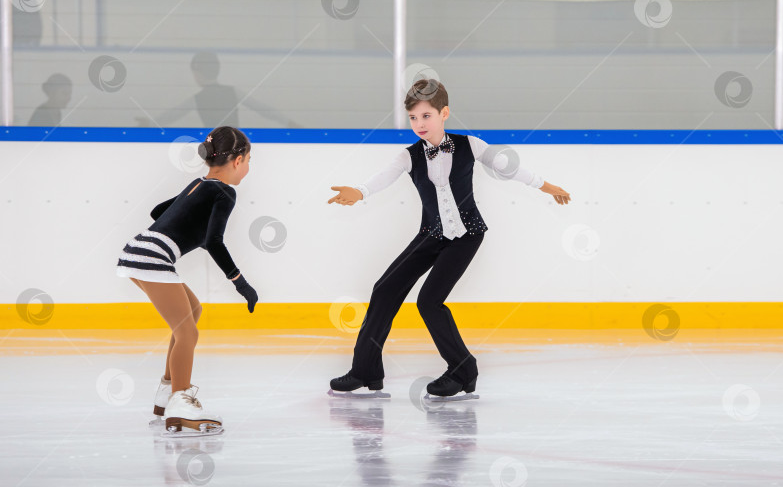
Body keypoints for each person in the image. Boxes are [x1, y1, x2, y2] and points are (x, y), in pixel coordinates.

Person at [327, 79, 571, 399]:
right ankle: (366, 370)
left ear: (444, 113)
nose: (419, 124)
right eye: (413, 118)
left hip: (466, 235)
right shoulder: (408, 155)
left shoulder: (471, 144)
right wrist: (360, 191)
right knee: (384, 289)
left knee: (428, 301)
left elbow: (509, 168)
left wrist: (546, 186)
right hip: (430, 234)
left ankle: (463, 369)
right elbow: (384, 176)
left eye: (426, 116)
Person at [116, 126, 259, 435]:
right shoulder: (224, 192)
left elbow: (158, 211)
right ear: (237, 160)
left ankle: (167, 394)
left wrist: (185, 215)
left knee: (192, 312)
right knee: (188, 333)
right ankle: (180, 402)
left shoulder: (200, 183)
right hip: (151, 257)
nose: (248, 168)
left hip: (141, 250)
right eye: (248, 160)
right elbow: (214, 241)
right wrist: (240, 282)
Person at [136, 51, 296, 128]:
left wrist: (149, 123)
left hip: (216, 147)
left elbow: (173, 114)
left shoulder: (197, 98)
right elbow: (262, 109)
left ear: (197, 73)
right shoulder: (232, 92)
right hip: (235, 144)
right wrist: (287, 122)